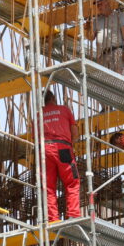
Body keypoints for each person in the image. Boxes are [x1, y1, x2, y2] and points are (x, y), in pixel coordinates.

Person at [42, 90, 81, 223]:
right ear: (53, 97)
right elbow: (75, 133)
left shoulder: (38, 115)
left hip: (45, 151)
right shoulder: (64, 110)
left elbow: (34, 138)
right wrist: (72, 144)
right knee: (72, 182)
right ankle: (73, 214)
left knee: (48, 187)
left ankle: (53, 219)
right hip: (63, 148)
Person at [86, 0, 124, 78]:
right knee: (107, 82)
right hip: (103, 57)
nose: (99, 6)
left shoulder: (119, 15)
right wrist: (88, 28)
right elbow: (91, 37)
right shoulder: (97, 21)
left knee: (121, 80)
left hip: (117, 53)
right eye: (97, 5)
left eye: (100, 3)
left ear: (107, 1)